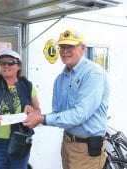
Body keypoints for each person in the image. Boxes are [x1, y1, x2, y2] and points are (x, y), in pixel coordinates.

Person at [24, 29, 110, 169]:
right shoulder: (61, 78)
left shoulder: (93, 73)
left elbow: (80, 114)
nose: (65, 51)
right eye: (62, 47)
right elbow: (58, 112)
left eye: (70, 46)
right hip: (67, 143)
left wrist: (43, 119)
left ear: (83, 49)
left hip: (87, 149)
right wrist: (36, 116)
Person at [0, 49, 41, 169]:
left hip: (20, 141)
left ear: (18, 66)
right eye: (2, 62)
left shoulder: (27, 86)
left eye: (10, 62)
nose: (6, 65)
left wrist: (32, 111)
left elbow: (38, 111)